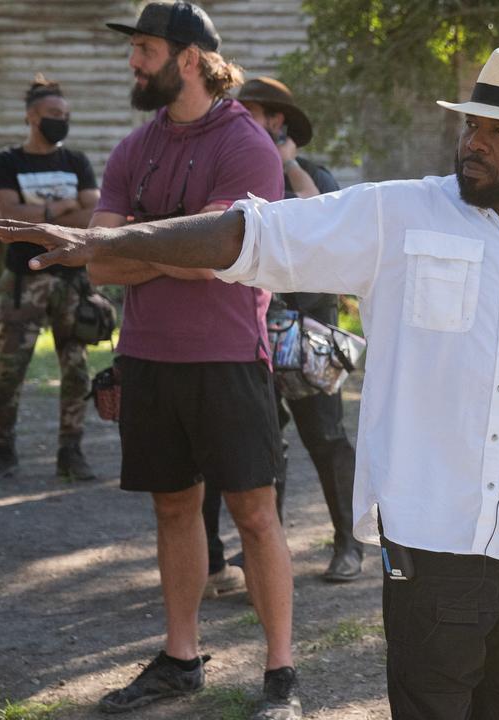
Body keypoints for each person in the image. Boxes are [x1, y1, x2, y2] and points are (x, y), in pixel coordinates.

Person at [0, 46, 499, 720]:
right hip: (434, 550)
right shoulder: (400, 217)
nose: (474, 142)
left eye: (498, 130)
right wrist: (117, 242)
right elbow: (255, 233)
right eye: (472, 124)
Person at [88, 3, 299, 717]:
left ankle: (281, 675)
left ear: (188, 59)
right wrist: (166, 250)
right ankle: (181, 658)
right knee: (174, 508)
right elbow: (96, 262)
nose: (133, 62)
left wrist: (135, 244)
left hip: (227, 357)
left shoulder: (246, 146)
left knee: (255, 515)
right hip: (146, 356)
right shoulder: (131, 149)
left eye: (144, 49)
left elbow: (218, 261)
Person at [198, 76, 363, 593]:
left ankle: (349, 544)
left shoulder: (311, 173)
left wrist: (286, 163)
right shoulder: (236, 172)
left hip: (309, 334)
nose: (244, 118)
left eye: (255, 112)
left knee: (327, 440)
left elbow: (331, 230)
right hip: (251, 333)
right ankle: (268, 563)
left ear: (278, 121)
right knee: (265, 450)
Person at [0, 76, 99, 485]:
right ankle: (2, 450)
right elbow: (5, 215)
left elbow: (92, 218)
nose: (61, 121)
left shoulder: (76, 161)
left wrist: (37, 213)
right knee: (8, 371)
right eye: (53, 115)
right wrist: (61, 208)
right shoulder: (10, 160)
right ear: (31, 117)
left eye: (65, 115)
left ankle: (70, 452)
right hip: (24, 280)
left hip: (73, 281)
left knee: (77, 370)